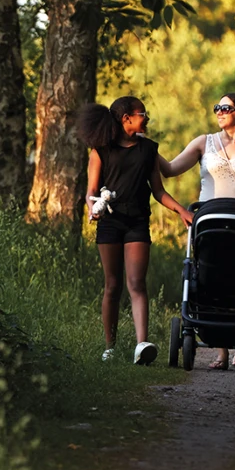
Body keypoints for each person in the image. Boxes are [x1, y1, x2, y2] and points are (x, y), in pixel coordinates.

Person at [160, 93, 235, 369]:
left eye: (226, 108)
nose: (219, 112)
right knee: (212, 277)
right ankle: (222, 352)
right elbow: (170, 169)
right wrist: (146, 149)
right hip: (209, 223)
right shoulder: (204, 142)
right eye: (217, 108)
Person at [79, 96, 194, 365]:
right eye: (143, 113)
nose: (147, 118)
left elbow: (158, 191)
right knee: (112, 285)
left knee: (137, 283)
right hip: (109, 222)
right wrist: (92, 208)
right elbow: (91, 193)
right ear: (126, 119)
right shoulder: (100, 151)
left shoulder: (148, 150)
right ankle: (110, 347)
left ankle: (142, 345)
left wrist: (181, 210)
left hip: (138, 222)